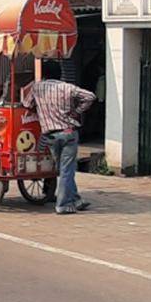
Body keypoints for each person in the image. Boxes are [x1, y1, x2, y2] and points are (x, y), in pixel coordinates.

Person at [21, 61, 96, 215]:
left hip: (49, 135)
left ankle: (75, 199)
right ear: (60, 73)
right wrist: (76, 111)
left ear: (44, 73)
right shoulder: (67, 87)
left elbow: (26, 104)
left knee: (63, 169)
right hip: (68, 132)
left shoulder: (37, 87)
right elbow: (90, 96)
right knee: (67, 169)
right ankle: (63, 204)